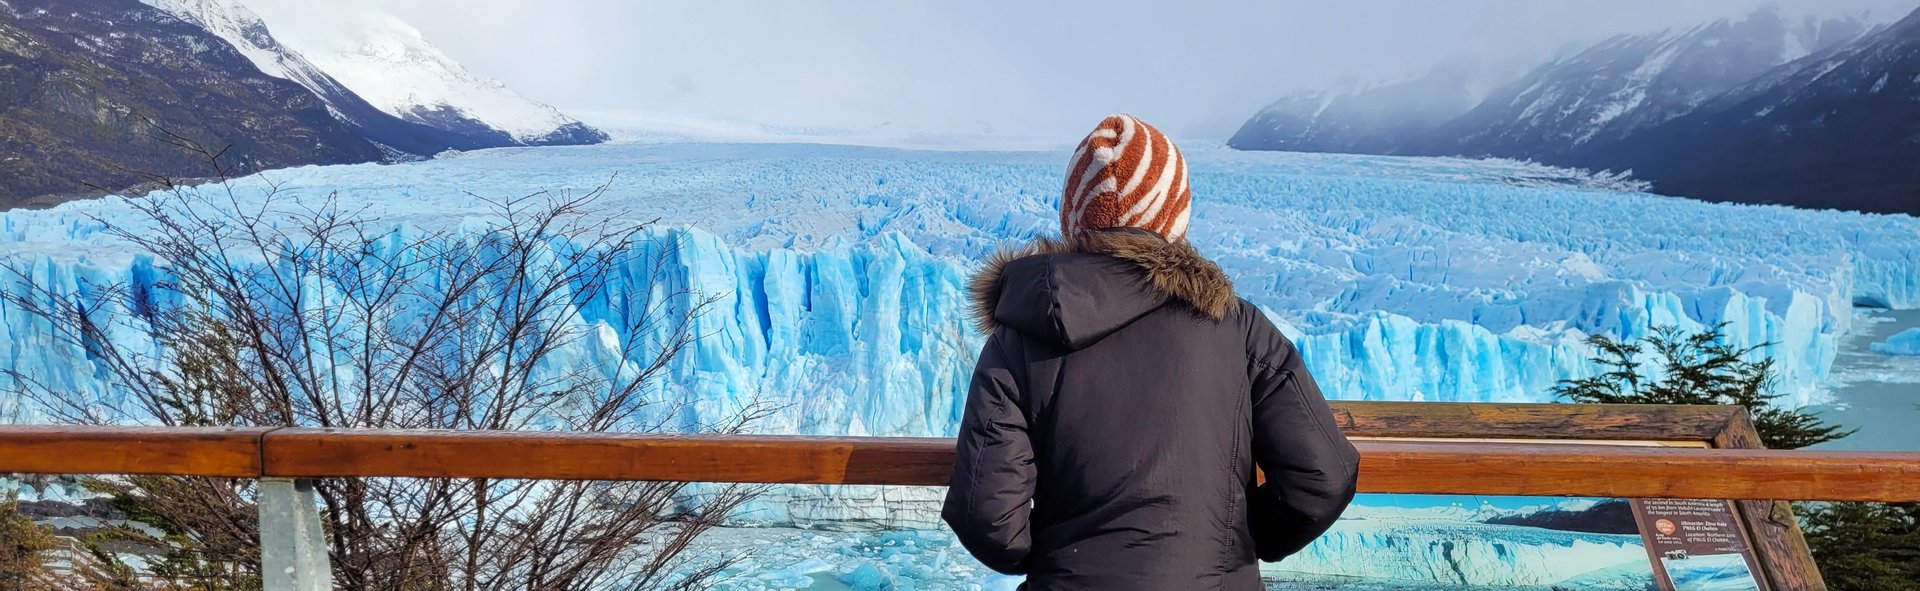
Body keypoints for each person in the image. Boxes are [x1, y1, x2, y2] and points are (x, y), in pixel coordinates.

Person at [942, 114, 1360, 590]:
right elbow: (1325, 476)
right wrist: (1231, 542)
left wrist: (1067, 553)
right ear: (1174, 217)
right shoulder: (1238, 328)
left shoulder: (1019, 335)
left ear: (1073, 215)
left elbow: (987, 513)